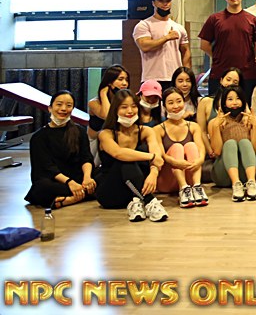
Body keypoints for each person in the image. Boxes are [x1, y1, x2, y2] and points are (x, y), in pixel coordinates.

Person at [96, 90, 169, 222]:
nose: (130, 111)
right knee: (126, 160)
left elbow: (157, 154)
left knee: (138, 156)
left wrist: (153, 173)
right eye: (124, 107)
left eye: (134, 106)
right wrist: (151, 157)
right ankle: (150, 201)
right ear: (115, 110)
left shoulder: (146, 131)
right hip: (111, 191)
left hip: (137, 188)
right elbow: (119, 153)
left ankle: (138, 201)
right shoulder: (105, 134)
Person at [25, 91, 96, 209]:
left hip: (79, 179)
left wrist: (87, 178)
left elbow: (86, 157)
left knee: (105, 176)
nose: (63, 109)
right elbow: (47, 167)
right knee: (41, 188)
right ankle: (80, 195)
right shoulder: (39, 137)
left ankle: (68, 199)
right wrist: (70, 183)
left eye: (68, 105)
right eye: (59, 104)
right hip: (56, 180)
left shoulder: (79, 131)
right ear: (50, 108)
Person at [199, 0, 256, 99]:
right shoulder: (214, 19)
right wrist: (217, 56)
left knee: (245, 106)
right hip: (220, 73)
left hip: (246, 75)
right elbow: (204, 44)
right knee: (218, 106)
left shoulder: (252, 20)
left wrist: (247, 57)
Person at [208, 85, 256, 201]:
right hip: (224, 171)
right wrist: (216, 127)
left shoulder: (249, 120)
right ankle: (236, 184)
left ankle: (251, 183)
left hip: (248, 170)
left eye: (238, 98)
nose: (234, 102)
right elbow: (217, 151)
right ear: (224, 103)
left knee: (245, 142)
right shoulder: (215, 122)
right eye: (230, 99)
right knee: (230, 143)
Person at [154, 88, 207, 208]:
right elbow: (161, 155)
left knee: (191, 145)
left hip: (190, 176)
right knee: (177, 147)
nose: (176, 106)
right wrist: (175, 162)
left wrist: (200, 160)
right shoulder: (158, 129)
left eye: (179, 101)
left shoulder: (193, 126)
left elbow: (201, 148)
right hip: (168, 180)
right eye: (170, 103)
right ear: (164, 106)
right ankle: (183, 188)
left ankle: (197, 187)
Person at [132, 0, 190, 88]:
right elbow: (144, 46)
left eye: (168, 1)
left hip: (174, 78)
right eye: (161, 1)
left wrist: (186, 74)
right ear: (153, 3)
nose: (165, 4)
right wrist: (167, 37)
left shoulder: (179, 28)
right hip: (152, 78)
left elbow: (186, 51)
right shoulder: (144, 25)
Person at [196, 68, 243, 156]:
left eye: (235, 82)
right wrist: (210, 150)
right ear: (221, 80)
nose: (230, 84)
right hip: (214, 149)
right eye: (228, 80)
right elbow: (201, 131)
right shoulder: (206, 102)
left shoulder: (241, 104)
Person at [87, 65, 131, 151]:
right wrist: (103, 94)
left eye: (126, 80)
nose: (125, 83)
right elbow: (107, 116)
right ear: (109, 82)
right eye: (120, 79)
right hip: (96, 143)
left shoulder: (126, 102)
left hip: (118, 140)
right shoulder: (94, 102)